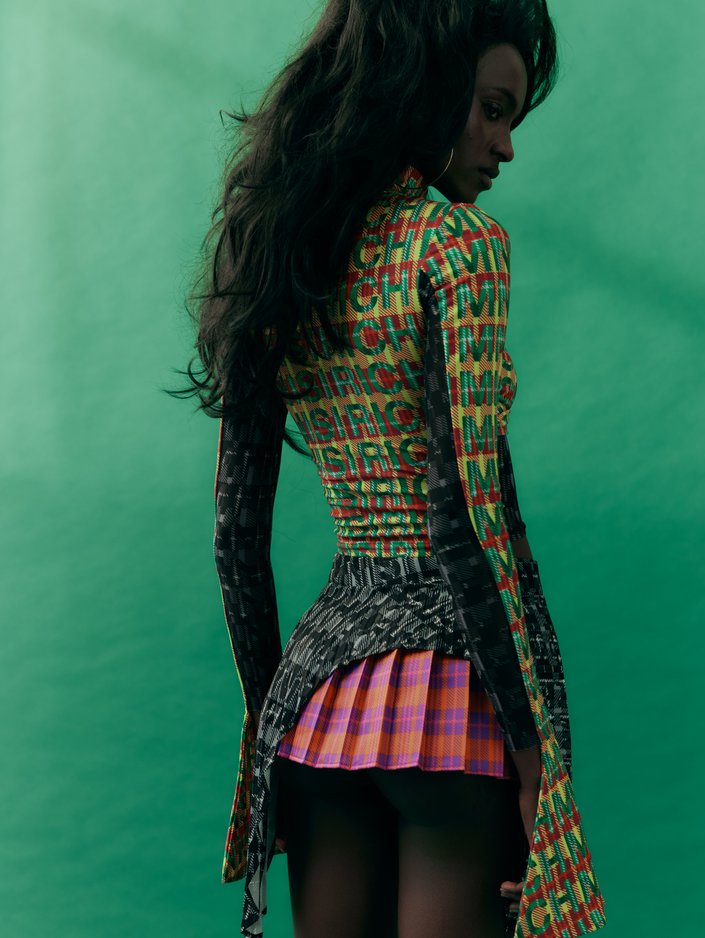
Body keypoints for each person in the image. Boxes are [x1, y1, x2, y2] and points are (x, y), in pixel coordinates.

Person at [171, 1, 607, 936]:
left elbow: (234, 537)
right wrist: (537, 762)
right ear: (424, 86)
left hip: (317, 711)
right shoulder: (456, 247)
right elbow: (469, 520)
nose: (505, 146)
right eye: (492, 109)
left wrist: (266, 732)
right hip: (453, 708)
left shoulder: (279, 249)